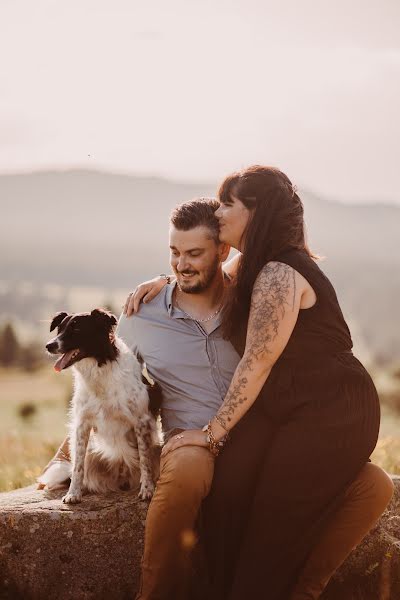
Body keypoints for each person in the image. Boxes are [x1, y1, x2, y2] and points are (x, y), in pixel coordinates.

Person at [41, 198, 392, 600]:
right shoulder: (142, 316)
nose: (181, 264)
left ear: (223, 251)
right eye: (174, 253)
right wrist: (64, 456)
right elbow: (104, 389)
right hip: (190, 440)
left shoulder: (253, 301)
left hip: (263, 437)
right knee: (189, 467)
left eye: (194, 253)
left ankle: (304, 591)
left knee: (374, 484)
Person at [155, 168, 392, 599]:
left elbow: (257, 362)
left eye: (228, 203)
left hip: (331, 410)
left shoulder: (281, 271)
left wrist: (211, 433)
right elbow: (204, 275)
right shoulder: (253, 262)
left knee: (271, 525)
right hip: (284, 409)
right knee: (229, 490)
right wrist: (164, 283)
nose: (218, 210)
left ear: (256, 212)